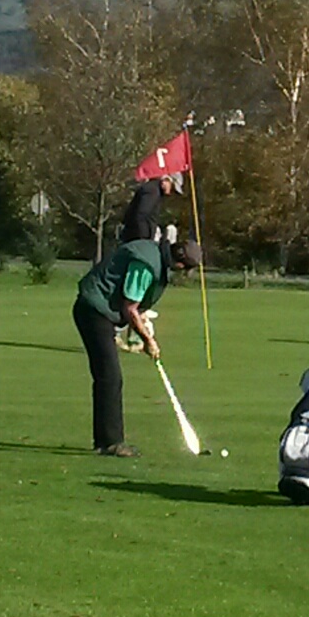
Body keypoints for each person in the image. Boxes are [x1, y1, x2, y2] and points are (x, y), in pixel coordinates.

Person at [73, 237, 202, 456]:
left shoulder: (153, 254)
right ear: (180, 263)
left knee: (109, 376)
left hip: (102, 311)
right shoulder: (146, 264)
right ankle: (110, 443)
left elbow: (135, 306)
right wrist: (148, 340)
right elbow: (129, 307)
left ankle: (106, 441)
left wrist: (145, 329)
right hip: (93, 311)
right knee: (109, 376)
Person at [118, 174, 181, 244]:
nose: (170, 193)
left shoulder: (154, 190)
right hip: (139, 238)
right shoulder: (153, 191)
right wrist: (145, 239)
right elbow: (142, 215)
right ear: (166, 180)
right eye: (172, 188)